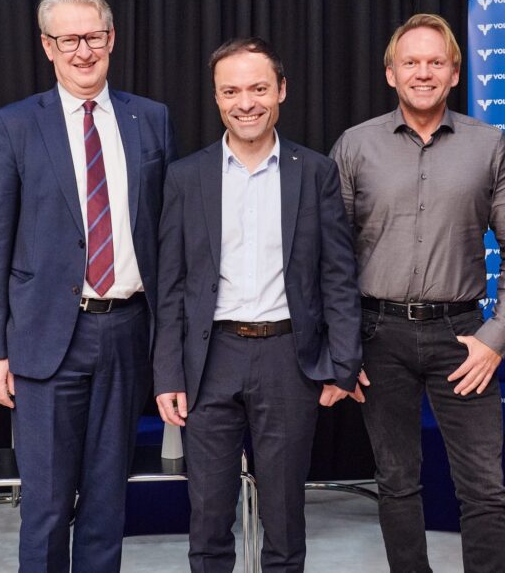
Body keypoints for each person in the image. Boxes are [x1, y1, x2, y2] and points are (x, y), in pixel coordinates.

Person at [0, 0, 177, 572]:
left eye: (93, 37)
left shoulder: (151, 119)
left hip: (127, 332)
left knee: (109, 500)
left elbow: (168, 233)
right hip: (45, 338)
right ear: (48, 46)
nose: (83, 51)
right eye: (69, 40)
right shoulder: (13, 125)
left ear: (111, 39)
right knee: (46, 504)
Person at [331, 13, 505, 572]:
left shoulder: (489, 146)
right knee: (396, 481)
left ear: (454, 73)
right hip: (378, 336)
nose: (423, 73)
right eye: (411, 62)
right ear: (390, 73)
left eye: (435, 62)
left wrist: (496, 337)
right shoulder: (355, 146)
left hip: (464, 338)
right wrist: (343, 345)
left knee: (484, 487)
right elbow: (331, 256)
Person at [153, 37, 362, 572]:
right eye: (231, 91)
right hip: (209, 360)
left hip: (288, 360)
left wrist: (343, 363)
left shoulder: (314, 172)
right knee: (207, 517)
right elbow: (171, 285)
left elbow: (338, 277)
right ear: (216, 97)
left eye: (258, 88)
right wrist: (167, 374)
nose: (245, 103)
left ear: (282, 90)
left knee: (285, 517)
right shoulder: (185, 176)